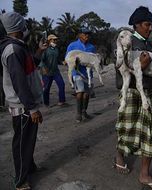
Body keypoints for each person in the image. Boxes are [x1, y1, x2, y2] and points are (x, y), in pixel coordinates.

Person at [114, 6, 152, 190]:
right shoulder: (126, 42)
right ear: (136, 25)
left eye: (151, 24)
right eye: (146, 24)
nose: (150, 28)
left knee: (150, 134)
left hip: (147, 96)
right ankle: (119, 156)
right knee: (126, 130)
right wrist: (141, 68)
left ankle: (144, 174)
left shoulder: (147, 44)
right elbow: (120, 75)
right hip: (130, 95)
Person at [0, 12, 45, 190]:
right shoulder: (13, 50)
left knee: (29, 138)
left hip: (26, 103)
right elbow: (19, 82)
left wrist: (40, 50)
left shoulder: (19, 46)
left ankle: (30, 167)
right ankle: (20, 180)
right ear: (19, 28)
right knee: (22, 142)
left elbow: (30, 65)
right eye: (24, 24)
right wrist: (32, 108)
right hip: (22, 105)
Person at [66, 27, 95, 122]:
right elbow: (67, 58)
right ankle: (78, 114)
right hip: (77, 72)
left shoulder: (91, 47)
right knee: (80, 93)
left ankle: (84, 111)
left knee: (86, 95)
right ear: (79, 35)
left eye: (88, 34)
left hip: (88, 74)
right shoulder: (72, 45)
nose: (87, 35)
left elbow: (93, 59)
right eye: (85, 33)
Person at [39, 34, 66, 107]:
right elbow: (41, 61)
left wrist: (62, 62)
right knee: (47, 88)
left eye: (56, 39)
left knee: (62, 85)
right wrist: (43, 68)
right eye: (54, 40)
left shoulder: (56, 49)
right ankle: (46, 103)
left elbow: (57, 59)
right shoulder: (45, 49)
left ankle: (62, 101)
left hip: (55, 71)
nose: (55, 41)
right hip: (46, 72)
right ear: (49, 40)